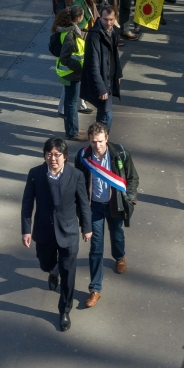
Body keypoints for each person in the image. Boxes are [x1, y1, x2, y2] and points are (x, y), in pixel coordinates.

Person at [21, 137, 92, 331]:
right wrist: (26, 229)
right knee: (46, 264)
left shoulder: (76, 175)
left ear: (65, 157)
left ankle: (64, 310)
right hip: (44, 231)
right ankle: (53, 272)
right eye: (49, 154)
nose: (53, 158)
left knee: (69, 274)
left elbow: (83, 203)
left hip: (68, 232)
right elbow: (27, 203)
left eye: (57, 155)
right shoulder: (35, 174)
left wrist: (87, 227)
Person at [74, 122, 139, 308]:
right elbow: (78, 182)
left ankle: (120, 256)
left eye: (100, 141)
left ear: (107, 138)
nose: (97, 146)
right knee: (95, 247)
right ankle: (95, 289)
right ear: (89, 140)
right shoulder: (83, 156)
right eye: (93, 142)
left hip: (114, 204)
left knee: (117, 235)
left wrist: (131, 198)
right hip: (93, 207)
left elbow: (133, 177)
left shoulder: (120, 153)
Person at [80, 5, 123, 133]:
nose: (108, 23)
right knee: (106, 115)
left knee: (105, 113)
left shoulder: (113, 32)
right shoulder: (94, 36)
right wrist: (101, 88)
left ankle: (100, 140)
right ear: (100, 17)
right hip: (102, 81)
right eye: (105, 19)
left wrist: (118, 73)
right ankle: (101, 140)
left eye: (111, 19)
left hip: (108, 78)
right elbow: (92, 64)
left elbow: (114, 55)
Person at [51, 6, 87, 141]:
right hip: (71, 73)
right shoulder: (70, 35)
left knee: (69, 101)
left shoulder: (68, 31)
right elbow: (66, 58)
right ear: (78, 18)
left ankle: (73, 128)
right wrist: (79, 67)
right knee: (71, 102)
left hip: (68, 72)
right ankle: (72, 132)